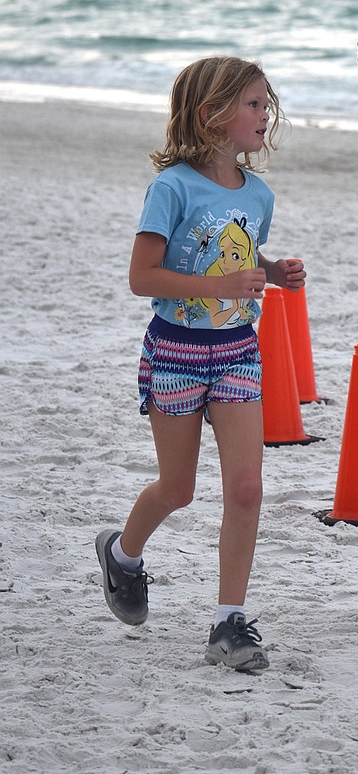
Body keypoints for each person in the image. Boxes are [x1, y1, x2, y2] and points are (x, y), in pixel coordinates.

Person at [95, 56, 306, 672]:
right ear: (212, 114)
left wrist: (272, 271)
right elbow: (143, 277)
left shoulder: (259, 195)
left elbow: (236, 252)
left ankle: (228, 622)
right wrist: (219, 287)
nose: (264, 116)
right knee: (178, 489)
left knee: (246, 489)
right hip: (176, 353)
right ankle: (123, 555)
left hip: (238, 351)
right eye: (252, 105)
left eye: (266, 105)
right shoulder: (172, 188)